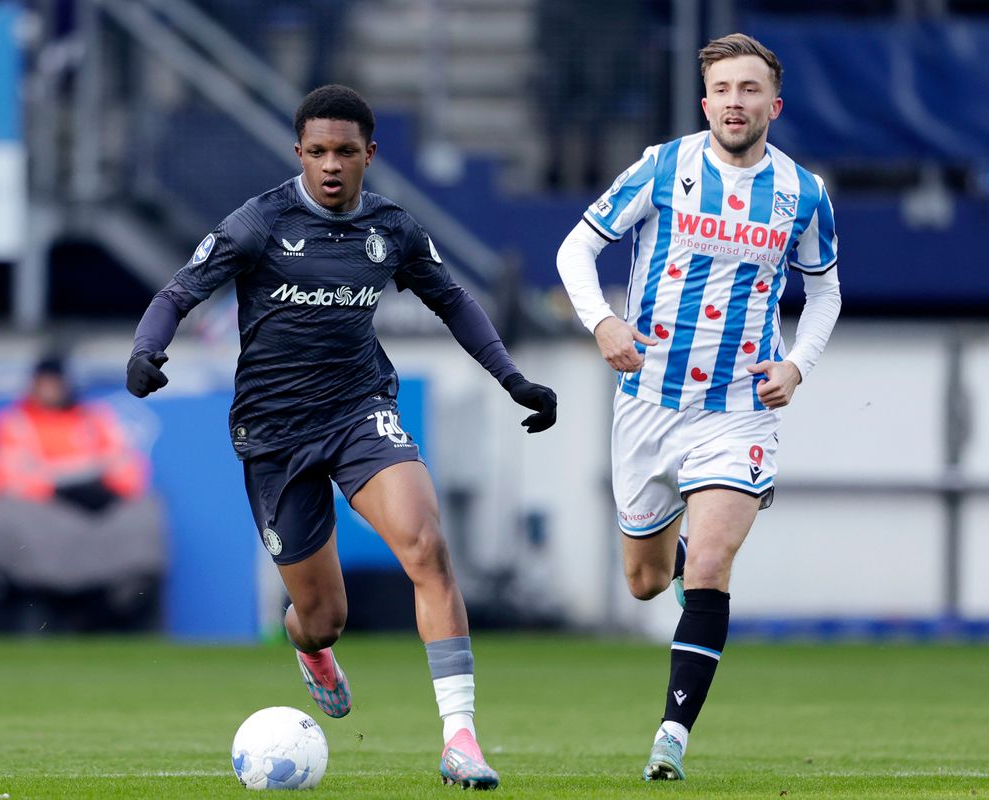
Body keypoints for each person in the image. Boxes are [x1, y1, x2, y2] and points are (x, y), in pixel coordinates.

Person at [126, 84, 557, 789]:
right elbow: (179, 291)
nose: (331, 165)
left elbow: (454, 301)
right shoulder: (258, 223)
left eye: (345, 152)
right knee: (323, 617)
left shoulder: (394, 229)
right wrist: (147, 350)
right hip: (274, 435)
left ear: (369, 155)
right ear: (299, 153)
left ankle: (461, 741)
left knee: (427, 546)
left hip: (360, 412)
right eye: (318, 152)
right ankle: (314, 652)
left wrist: (514, 380)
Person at [555, 34, 841, 781]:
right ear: (705, 100)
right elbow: (573, 251)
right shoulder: (663, 166)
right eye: (723, 89)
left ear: (773, 105)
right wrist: (604, 322)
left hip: (739, 406)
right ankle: (672, 558)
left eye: (750, 90)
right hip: (649, 403)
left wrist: (797, 366)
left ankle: (670, 740)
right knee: (647, 581)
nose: (735, 102)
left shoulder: (802, 192)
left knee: (711, 565)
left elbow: (826, 290)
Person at [0, 355, 166, 631]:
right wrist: (60, 487)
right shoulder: (15, 422)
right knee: (23, 518)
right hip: (48, 513)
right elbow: (15, 477)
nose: (51, 389)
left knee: (144, 512)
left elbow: (127, 468)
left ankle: (113, 604)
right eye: (44, 382)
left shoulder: (95, 420)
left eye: (56, 382)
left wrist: (103, 489)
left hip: (97, 510)